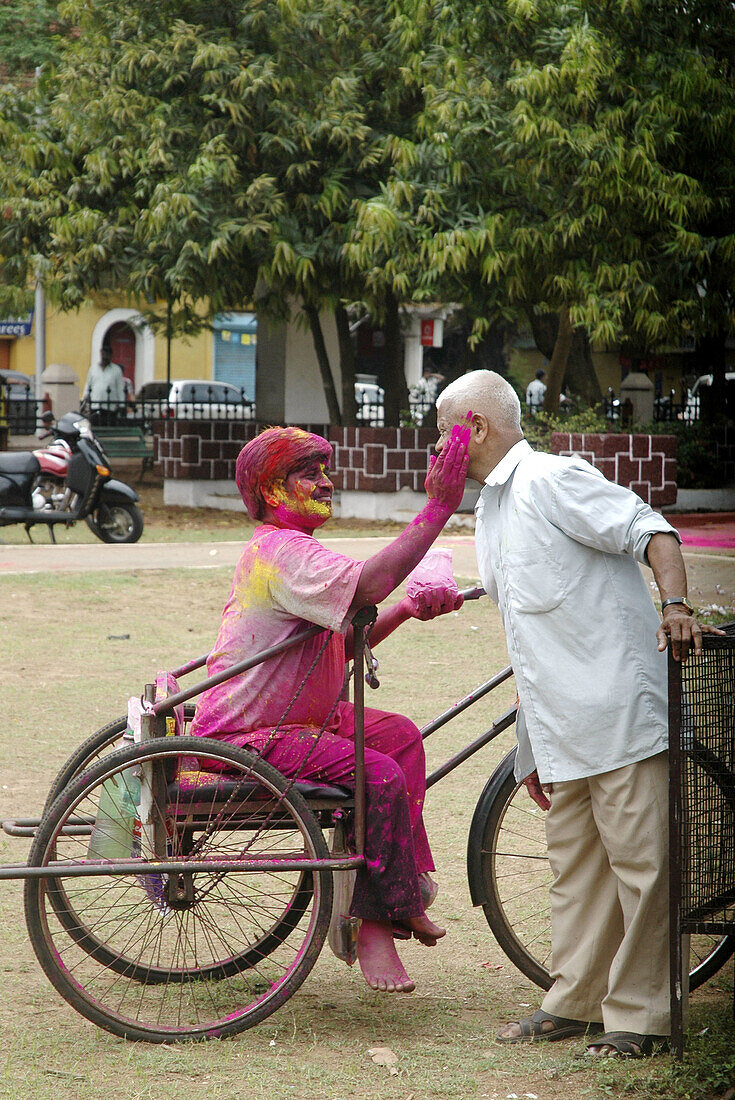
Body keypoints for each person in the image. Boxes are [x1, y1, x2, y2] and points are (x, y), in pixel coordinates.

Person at [435, 370, 724, 1058]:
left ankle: (641, 1019)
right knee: (577, 872)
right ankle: (574, 1001)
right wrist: (530, 740)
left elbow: (651, 532)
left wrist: (676, 608)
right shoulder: (491, 508)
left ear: (472, 426)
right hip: (560, 724)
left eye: (441, 432)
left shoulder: (549, 481)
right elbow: (531, 635)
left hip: (619, 713)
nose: (436, 448)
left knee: (642, 869)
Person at [190, 423, 470, 994]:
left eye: (325, 471)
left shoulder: (297, 553)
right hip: (250, 734)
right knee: (381, 775)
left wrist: (408, 611)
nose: (326, 483)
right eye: (309, 474)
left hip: (296, 722)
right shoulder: (281, 553)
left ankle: (399, 894)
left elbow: (343, 643)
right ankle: (375, 924)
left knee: (400, 737)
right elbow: (372, 582)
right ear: (272, 491)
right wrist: (438, 507)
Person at [83, 344, 126, 424]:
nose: (105, 356)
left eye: (107, 354)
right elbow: (88, 384)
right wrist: (85, 398)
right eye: (104, 353)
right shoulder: (93, 369)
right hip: (95, 405)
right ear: (101, 354)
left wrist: (121, 405)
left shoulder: (116, 370)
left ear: (111, 355)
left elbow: (120, 389)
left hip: (110, 407)